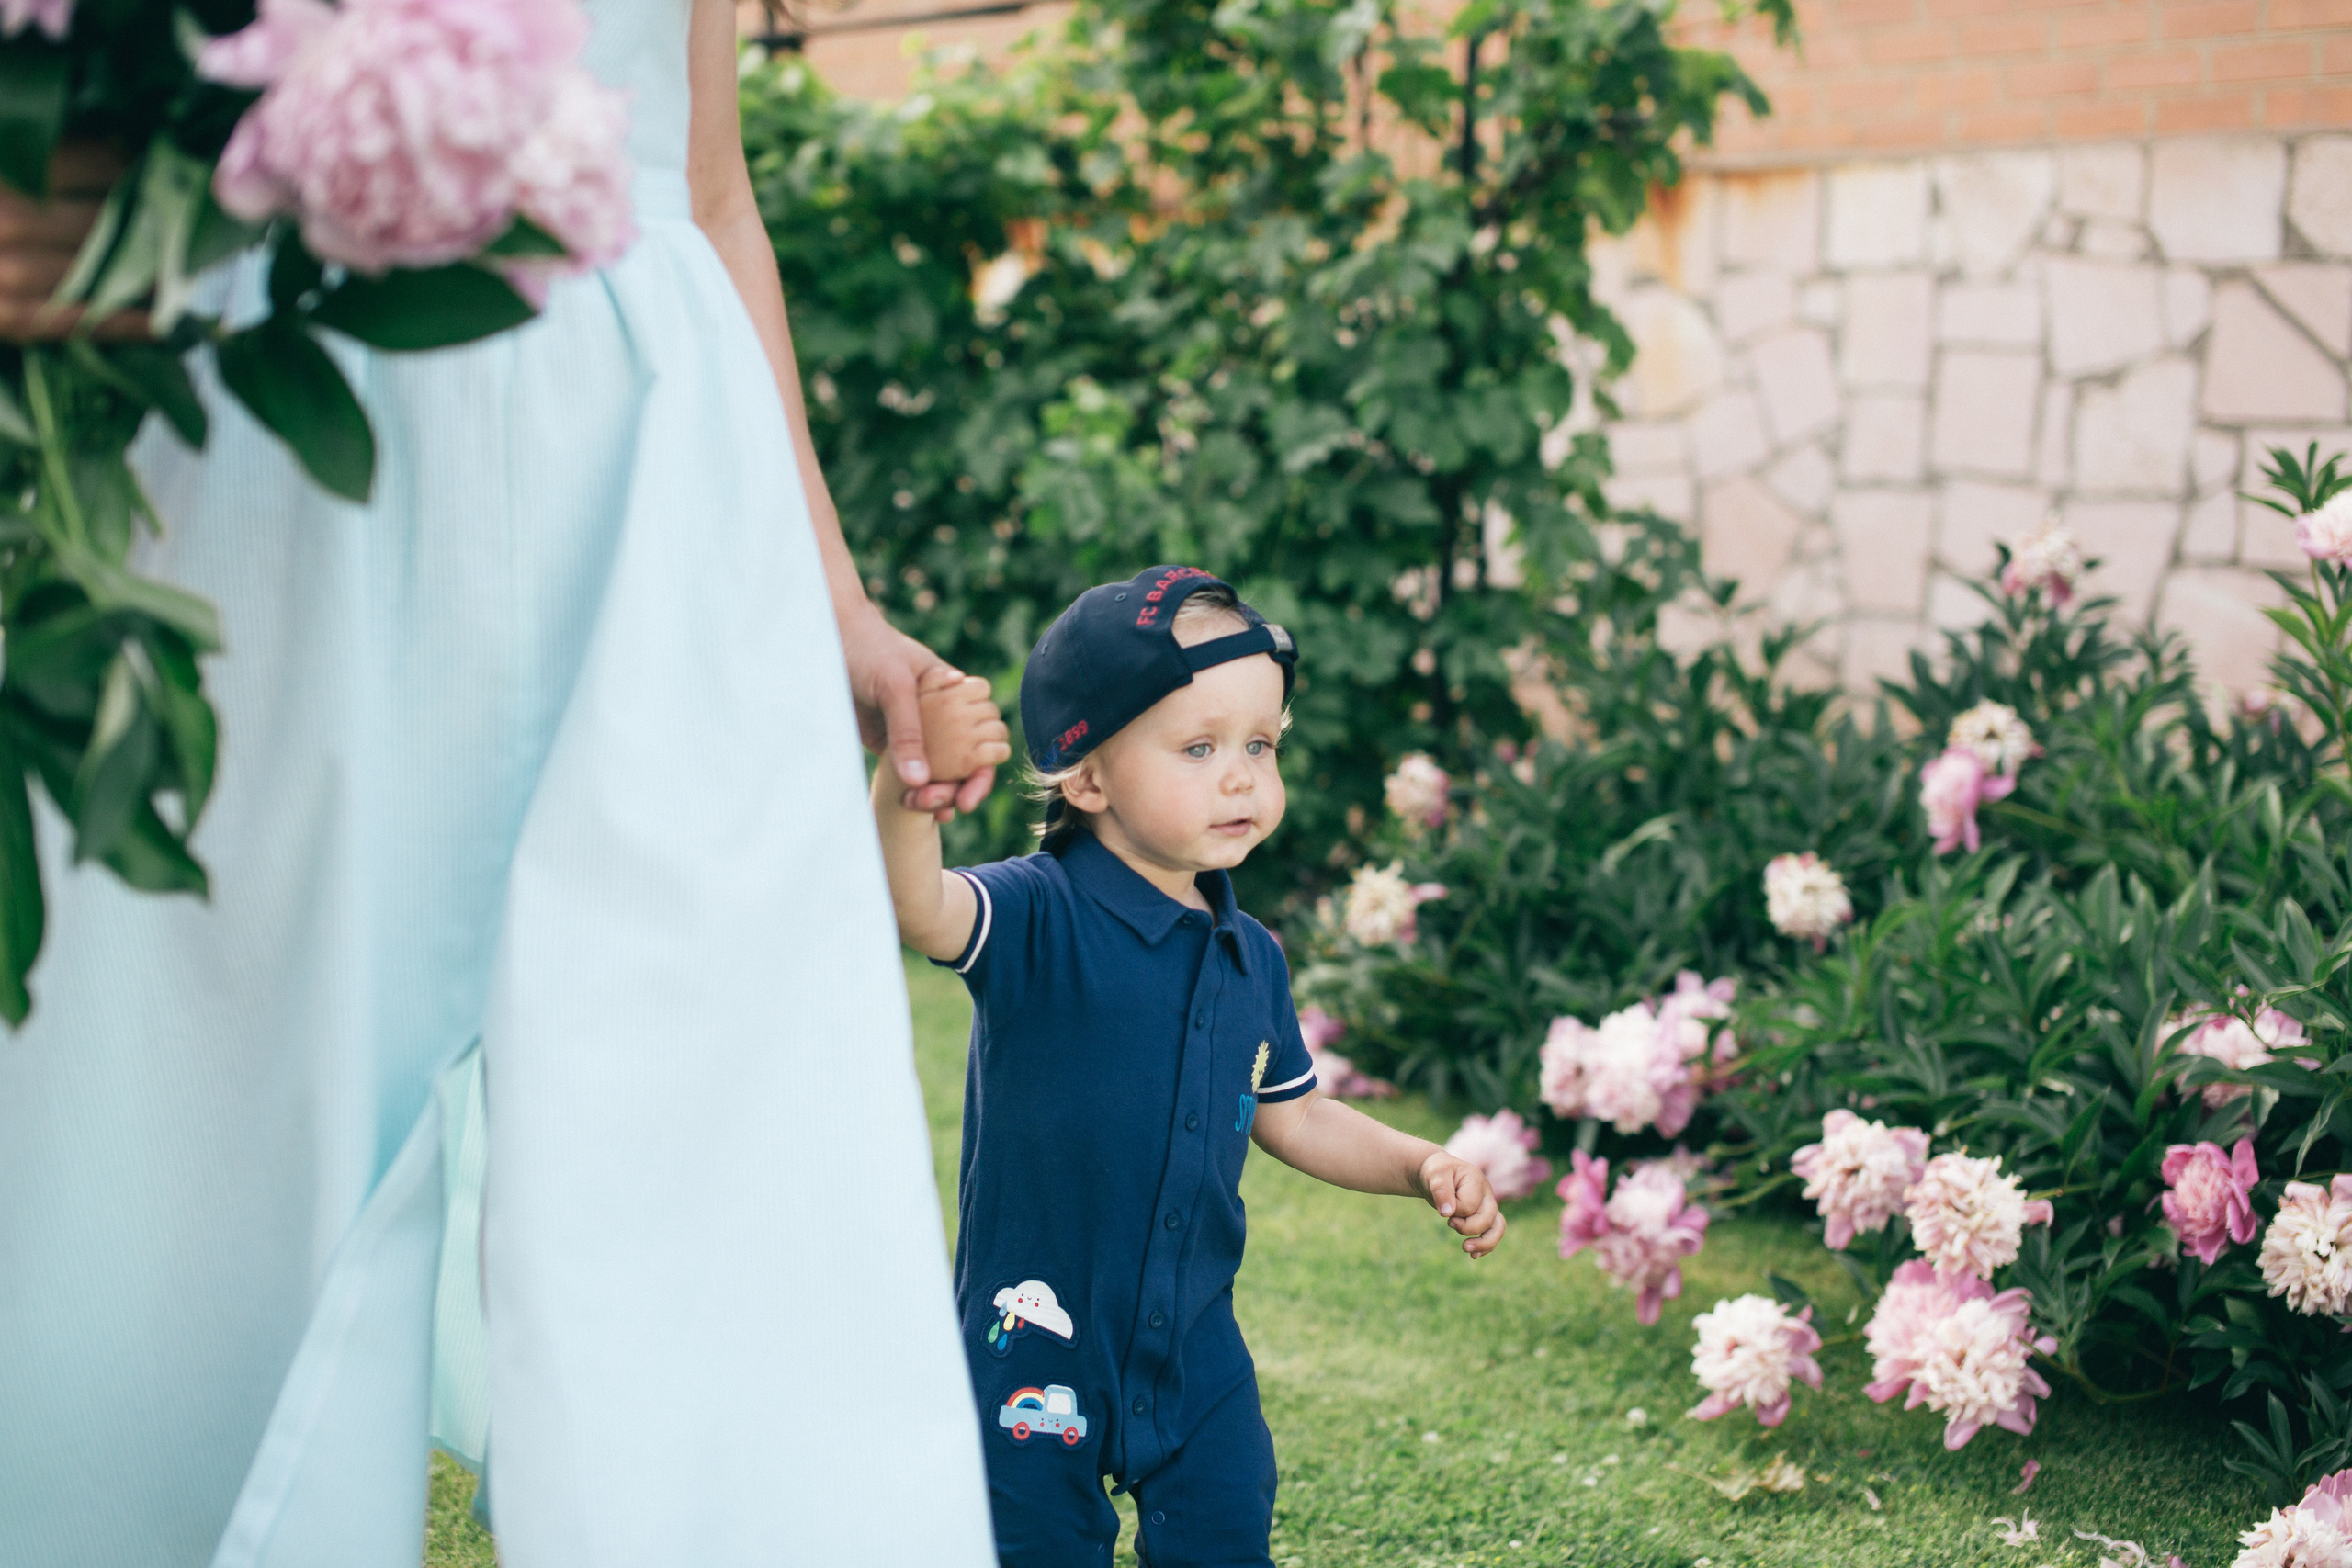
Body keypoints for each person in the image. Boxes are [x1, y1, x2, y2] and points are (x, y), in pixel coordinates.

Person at [0, 1, 1005, 1563]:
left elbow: (710, 185)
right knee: (223, 1083)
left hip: (663, 451)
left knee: (717, 1101)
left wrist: (838, 599)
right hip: (291, 406)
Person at [873, 565, 1508, 1568]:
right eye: (1200, 747)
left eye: (1261, 744)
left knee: (1223, 1527)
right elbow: (918, 906)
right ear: (1087, 777)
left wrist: (1418, 1163)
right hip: (1036, 1340)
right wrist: (912, 789)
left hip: (1194, 1345)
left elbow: (1296, 1114)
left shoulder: (1251, 956)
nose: (1242, 776)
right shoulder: (1037, 914)